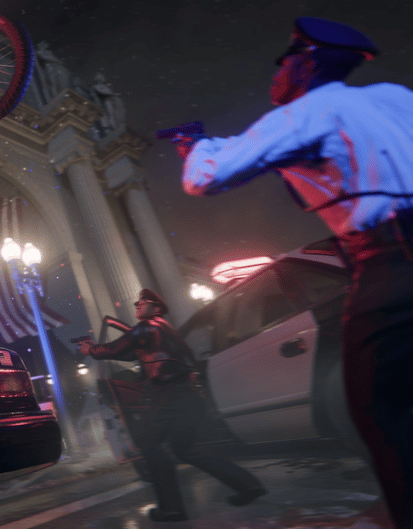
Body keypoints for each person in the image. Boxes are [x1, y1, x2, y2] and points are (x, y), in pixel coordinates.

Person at [175, 16, 413, 528]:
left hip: (388, 263)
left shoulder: (305, 112)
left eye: (284, 62)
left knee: (379, 406)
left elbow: (205, 177)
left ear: (307, 63)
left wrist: (192, 145)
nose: (276, 74)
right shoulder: (394, 96)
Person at [78, 289, 265, 522]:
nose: (137, 305)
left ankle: (171, 508)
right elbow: (131, 353)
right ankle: (248, 485)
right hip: (189, 397)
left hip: (170, 397)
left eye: (142, 302)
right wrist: (101, 352)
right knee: (186, 449)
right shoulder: (165, 330)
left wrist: (92, 350)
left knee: (148, 443)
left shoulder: (148, 327)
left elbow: (117, 347)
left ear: (155, 308)